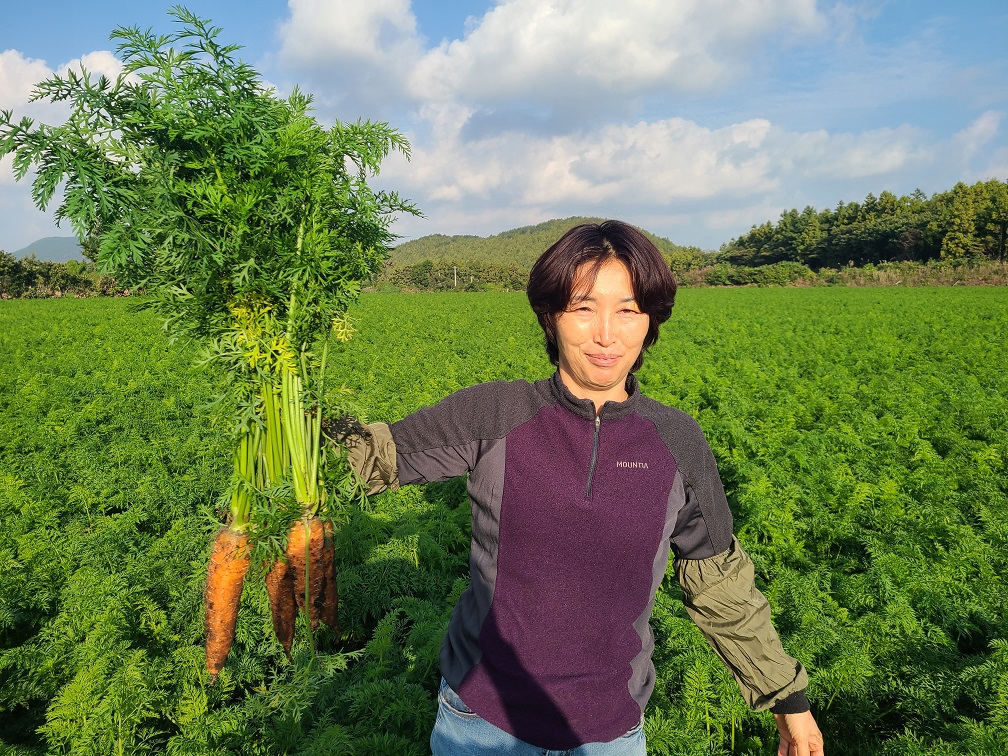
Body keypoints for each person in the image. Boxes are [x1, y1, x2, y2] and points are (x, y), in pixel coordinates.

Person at [342, 220, 825, 755]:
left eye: (628, 309)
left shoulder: (676, 440)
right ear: (549, 316)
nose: (605, 334)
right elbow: (369, 459)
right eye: (582, 307)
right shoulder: (496, 414)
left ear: (650, 321)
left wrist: (787, 697)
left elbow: (718, 582)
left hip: (609, 732)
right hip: (483, 724)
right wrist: (273, 401)